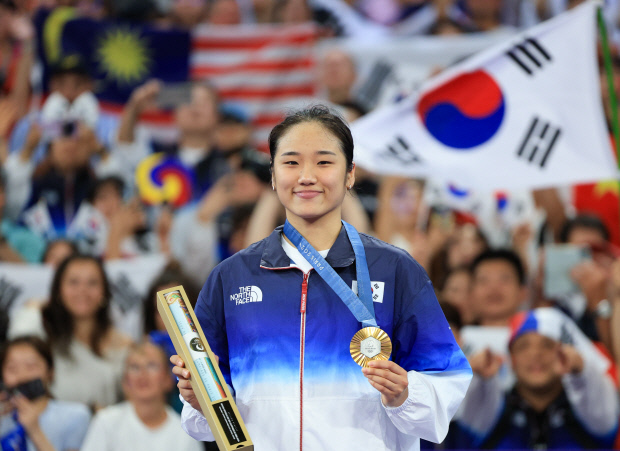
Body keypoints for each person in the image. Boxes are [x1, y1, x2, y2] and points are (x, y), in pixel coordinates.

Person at [171, 105, 472, 450]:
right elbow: (213, 411)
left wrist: (405, 393)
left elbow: (448, 382)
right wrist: (199, 399)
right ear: (272, 175)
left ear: (350, 175)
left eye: (324, 162)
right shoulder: (231, 277)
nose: (306, 176)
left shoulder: (396, 270)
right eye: (291, 162)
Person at [454, 308, 618, 449]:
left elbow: (594, 396)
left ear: (563, 354)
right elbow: (475, 406)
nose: (535, 354)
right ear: (511, 359)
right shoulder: (491, 415)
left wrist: (579, 372)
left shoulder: (591, 415)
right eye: (523, 346)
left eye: (547, 345)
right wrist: (482, 378)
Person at [8, 254, 133, 410]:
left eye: (92, 283)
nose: (82, 290)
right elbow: (17, 344)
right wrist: (37, 306)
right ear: (58, 290)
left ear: (104, 291)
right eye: (73, 282)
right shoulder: (43, 335)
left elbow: (131, 402)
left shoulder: (122, 344)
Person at [80, 342, 202, 451]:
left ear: (167, 379)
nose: (143, 375)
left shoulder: (186, 432)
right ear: (125, 381)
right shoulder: (105, 422)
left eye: (152, 366)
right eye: (135, 367)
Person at [0, 335, 91, 451]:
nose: (22, 376)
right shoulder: (3, 419)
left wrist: (34, 430)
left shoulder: (76, 416)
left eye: (31, 366)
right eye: (12, 369)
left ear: (50, 372)